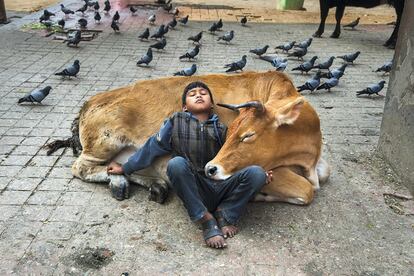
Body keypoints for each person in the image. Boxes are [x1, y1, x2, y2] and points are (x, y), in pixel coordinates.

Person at [107, 81, 272, 249]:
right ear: (185, 107)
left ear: (212, 105)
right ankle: (205, 219)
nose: (198, 95)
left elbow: (234, 158)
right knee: (176, 164)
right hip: (195, 187)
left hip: (221, 186)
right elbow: (152, 147)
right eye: (192, 94)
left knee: (257, 173)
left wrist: (261, 176)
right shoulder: (176, 121)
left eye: (203, 93)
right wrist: (125, 168)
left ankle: (225, 214)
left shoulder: (222, 129)